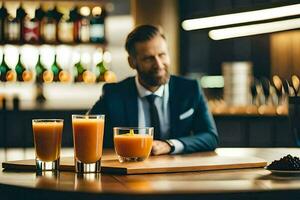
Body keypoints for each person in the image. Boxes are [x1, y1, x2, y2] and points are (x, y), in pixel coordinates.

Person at [89, 24, 218, 155]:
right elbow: (89, 135)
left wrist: (170, 145)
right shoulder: (113, 94)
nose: (159, 64)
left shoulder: (190, 89)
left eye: (162, 55)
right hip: (129, 171)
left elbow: (210, 137)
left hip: (177, 171)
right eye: (148, 58)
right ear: (132, 62)